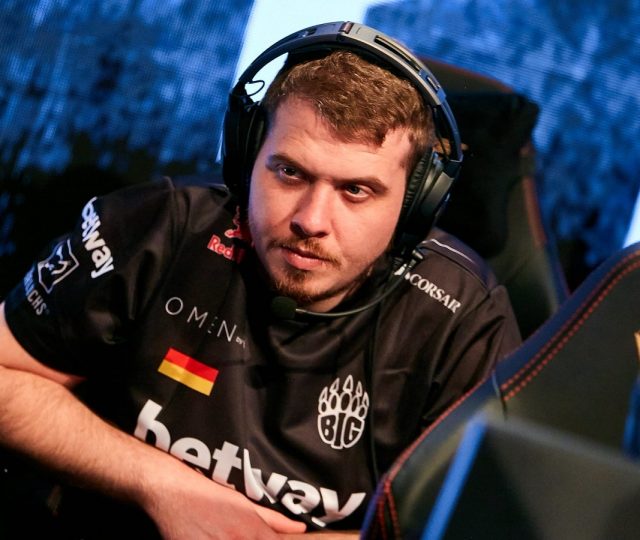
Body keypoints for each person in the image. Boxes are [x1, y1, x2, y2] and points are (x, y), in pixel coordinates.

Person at [0, 21, 521, 539]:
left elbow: (485, 523)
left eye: (356, 190)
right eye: (289, 172)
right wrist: (159, 484)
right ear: (248, 158)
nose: (311, 220)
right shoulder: (158, 229)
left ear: (414, 204)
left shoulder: (463, 316)